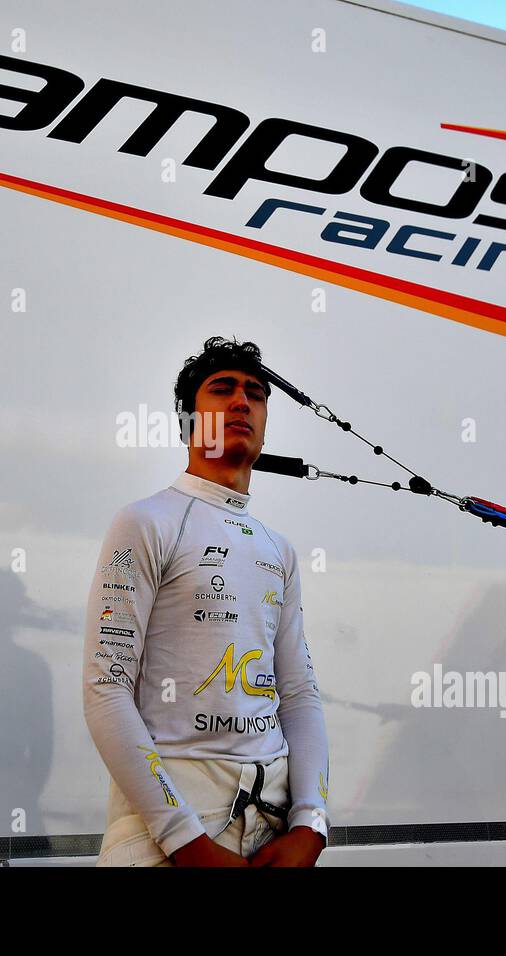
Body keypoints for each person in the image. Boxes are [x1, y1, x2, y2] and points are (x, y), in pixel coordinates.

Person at [82, 336, 330, 866]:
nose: (242, 402)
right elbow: (106, 690)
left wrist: (310, 824)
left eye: (256, 394)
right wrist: (188, 844)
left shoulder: (277, 550)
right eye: (222, 390)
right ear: (189, 421)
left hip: (272, 836)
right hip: (168, 839)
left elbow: (300, 695)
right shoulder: (144, 523)